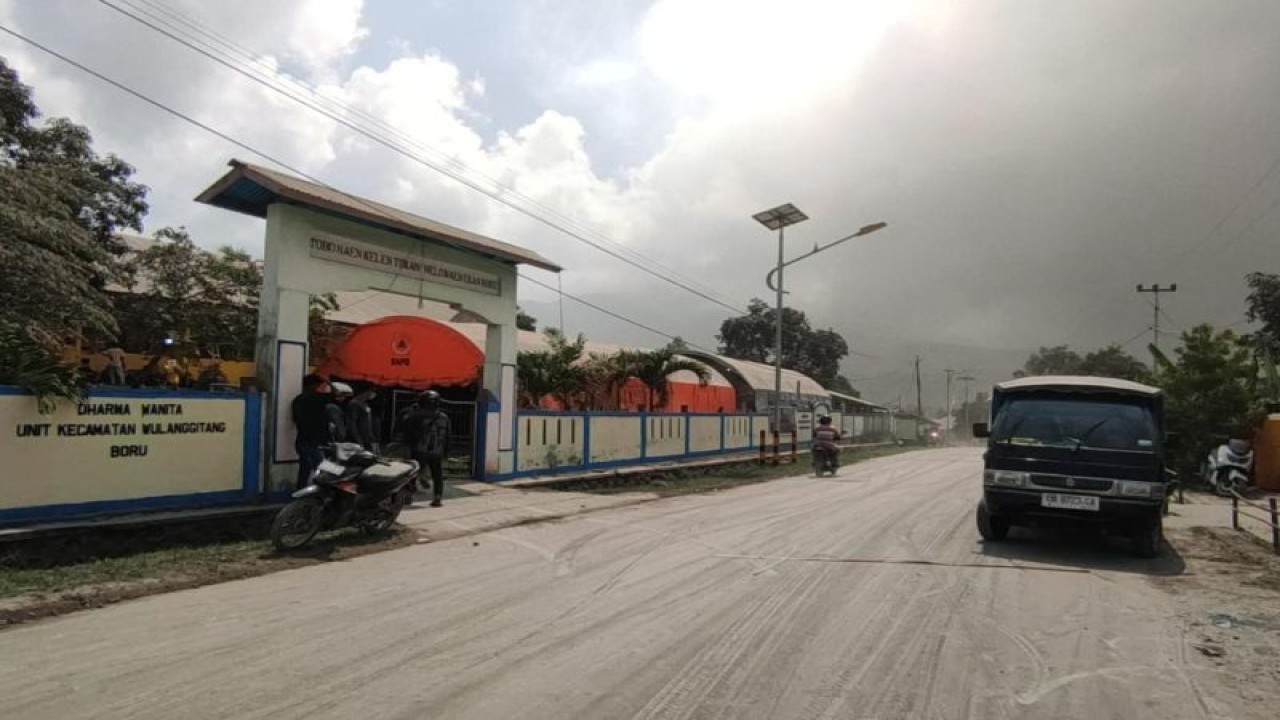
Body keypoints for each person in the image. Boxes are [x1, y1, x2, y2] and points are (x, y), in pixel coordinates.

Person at [400, 390, 451, 507]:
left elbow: (408, 434)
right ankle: (437, 498)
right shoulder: (444, 417)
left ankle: (408, 496)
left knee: (412, 473)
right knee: (437, 474)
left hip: (419, 450)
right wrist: (446, 451)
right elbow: (448, 436)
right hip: (437, 451)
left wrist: (406, 447)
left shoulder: (414, 415)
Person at [291, 374, 332, 490]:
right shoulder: (320, 399)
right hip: (316, 441)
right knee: (323, 469)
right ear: (316, 386)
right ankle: (322, 494)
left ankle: (300, 493)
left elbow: (295, 419)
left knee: (305, 469)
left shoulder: (297, 400)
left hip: (302, 439)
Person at [345, 385, 378, 451]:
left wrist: (372, 438)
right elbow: (352, 424)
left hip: (367, 439)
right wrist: (358, 441)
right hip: (358, 440)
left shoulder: (365, 404)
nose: (374, 394)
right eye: (372, 391)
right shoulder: (354, 403)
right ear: (366, 391)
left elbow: (368, 422)